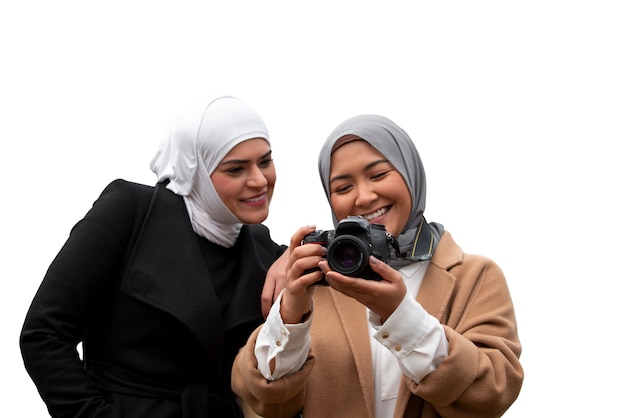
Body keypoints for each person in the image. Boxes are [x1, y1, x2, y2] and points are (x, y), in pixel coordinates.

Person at [232, 114, 524, 417]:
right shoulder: (315, 281)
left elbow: (493, 394)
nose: (365, 197)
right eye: (343, 188)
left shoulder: (475, 277)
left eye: (378, 174)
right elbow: (266, 401)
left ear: (411, 173)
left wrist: (401, 315)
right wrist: (290, 318)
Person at [20, 96, 288, 418]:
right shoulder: (131, 212)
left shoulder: (264, 251)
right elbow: (44, 333)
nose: (259, 180)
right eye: (236, 169)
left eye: (265, 161)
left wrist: (293, 255)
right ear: (195, 170)